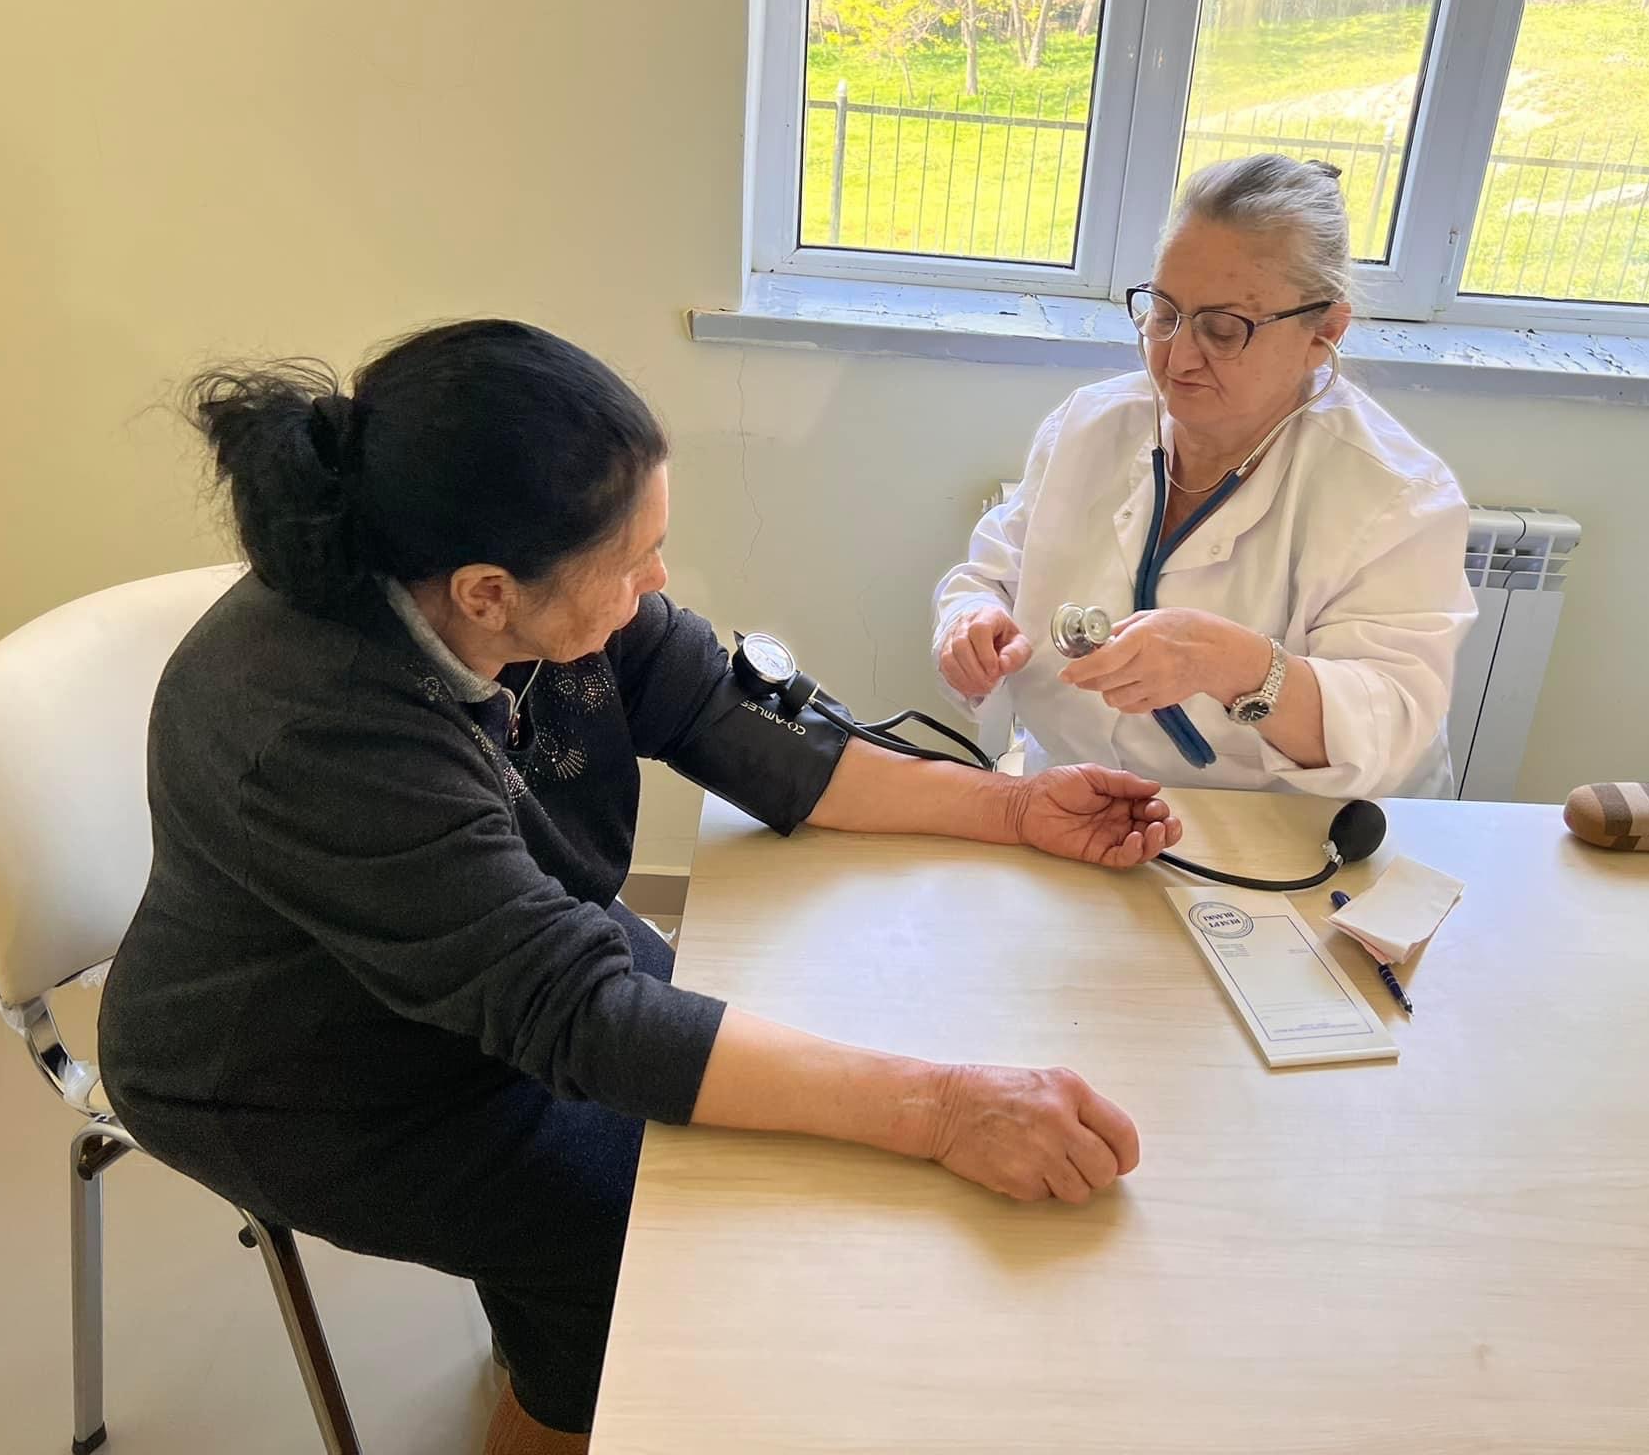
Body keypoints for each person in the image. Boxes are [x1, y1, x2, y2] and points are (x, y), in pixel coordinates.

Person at [97, 320, 1182, 1454]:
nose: (656, 580)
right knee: (648, 1227)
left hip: (481, 971)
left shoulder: (510, 574)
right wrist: (943, 1109)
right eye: (632, 563)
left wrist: (1013, 809)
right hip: (304, 1073)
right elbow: (572, 1013)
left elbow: (728, 716)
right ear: (487, 594)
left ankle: (548, 1350)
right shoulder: (316, 731)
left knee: (744, 1087)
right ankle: (560, 1406)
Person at [933, 155, 1476, 799]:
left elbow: (1388, 727)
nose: (1178, 357)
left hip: (1287, 829)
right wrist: (971, 621)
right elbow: (993, 573)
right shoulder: (1089, 425)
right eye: (1165, 313)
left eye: (1223, 330)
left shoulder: (1394, 497)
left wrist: (1236, 664)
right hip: (1073, 797)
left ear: (1323, 334)